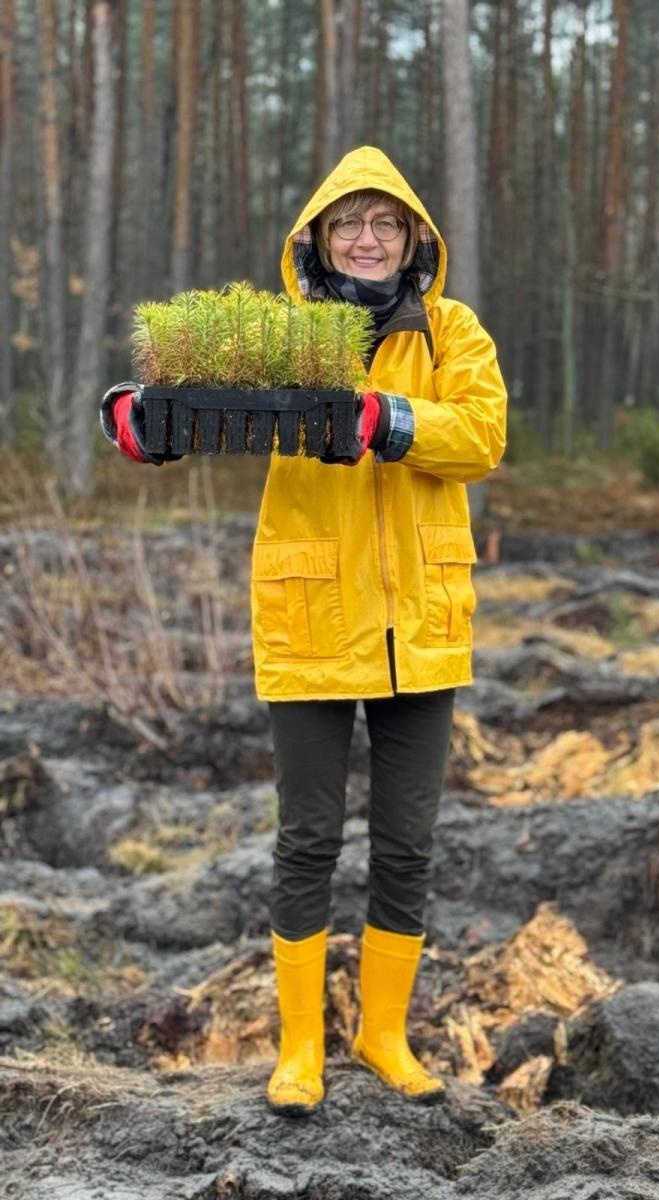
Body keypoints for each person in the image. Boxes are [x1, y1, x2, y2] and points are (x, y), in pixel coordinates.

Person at [101, 145, 507, 1117]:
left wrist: (386, 420)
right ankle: (298, 1048)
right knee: (308, 837)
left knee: (407, 843)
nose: (368, 238)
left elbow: (482, 439)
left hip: (421, 623)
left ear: (415, 238)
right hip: (312, 613)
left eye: (386, 223)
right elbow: (198, 407)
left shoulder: (451, 331)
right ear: (317, 238)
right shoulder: (283, 336)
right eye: (347, 223)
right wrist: (136, 418)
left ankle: (383, 1033)